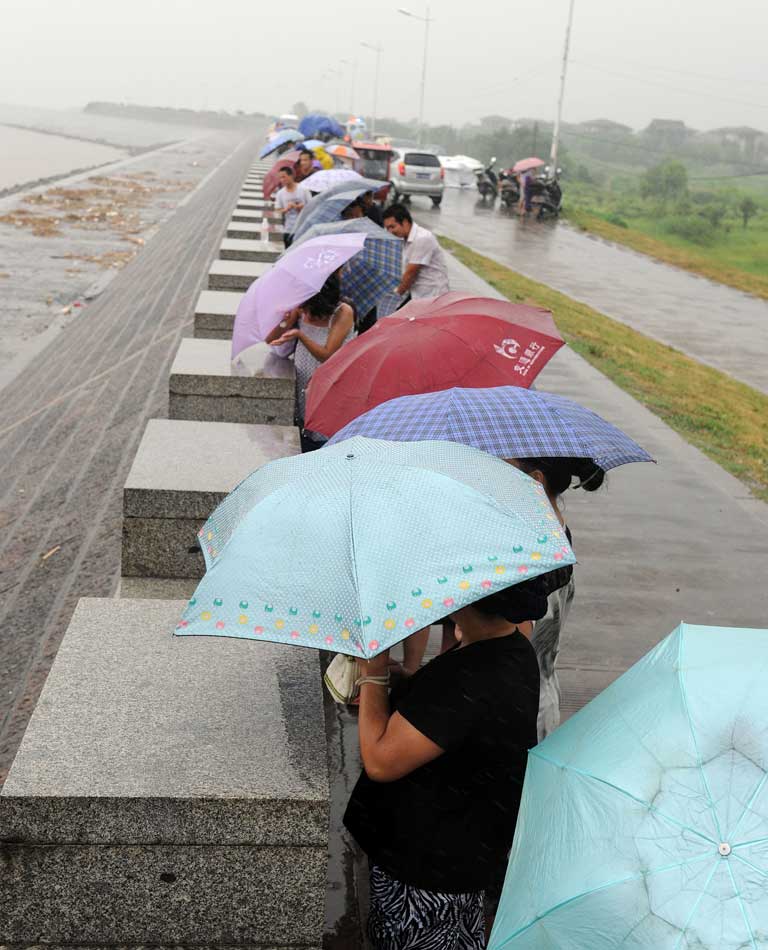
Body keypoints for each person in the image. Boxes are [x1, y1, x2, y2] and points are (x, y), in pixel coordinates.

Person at [344, 579, 546, 949]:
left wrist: (371, 672)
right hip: (467, 856)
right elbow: (451, 720)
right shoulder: (512, 651)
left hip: (427, 872)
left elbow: (380, 760)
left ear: (463, 601)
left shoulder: (470, 675)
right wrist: (408, 682)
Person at [440, 456, 605, 740]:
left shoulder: (528, 557)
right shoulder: (557, 536)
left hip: (513, 710)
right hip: (541, 696)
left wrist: (467, 626)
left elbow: (512, 640)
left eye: (507, 467)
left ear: (535, 481)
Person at [268, 273, 355, 452]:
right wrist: (285, 322)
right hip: (304, 376)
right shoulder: (302, 309)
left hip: (330, 379)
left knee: (325, 429)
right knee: (305, 424)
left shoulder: (343, 312)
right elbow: (271, 338)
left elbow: (327, 355)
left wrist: (300, 335)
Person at [382, 203, 449, 301]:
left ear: (405, 222)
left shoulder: (422, 238)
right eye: (387, 228)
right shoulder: (405, 238)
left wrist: (396, 295)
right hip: (417, 293)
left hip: (432, 296)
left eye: (392, 227)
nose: (390, 232)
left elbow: (411, 273)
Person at [273, 166, 311, 248]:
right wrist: (286, 209)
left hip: (303, 228)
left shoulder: (303, 189)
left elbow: (312, 206)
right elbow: (277, 211)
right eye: (280, 178)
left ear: (291, 176)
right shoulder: (280, 193)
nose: (282, 180)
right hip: (288, 229)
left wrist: (302, 207)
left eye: (284, 177)